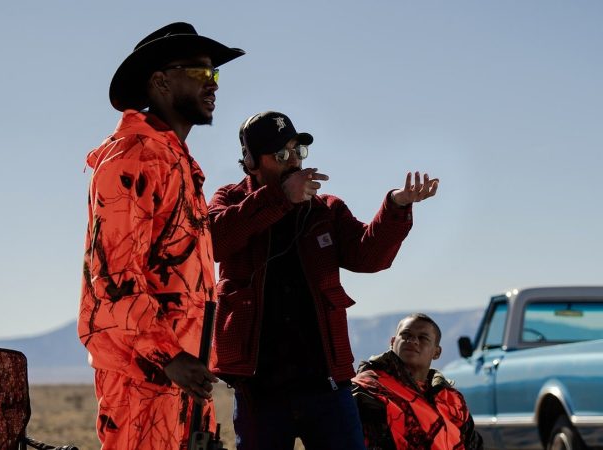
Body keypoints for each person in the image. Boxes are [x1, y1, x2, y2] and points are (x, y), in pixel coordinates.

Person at [207, 111, 439, 450]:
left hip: (326, 385)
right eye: (281, 154)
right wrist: (280, 197)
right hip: (259, 390)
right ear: (251, 161)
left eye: (297, 150)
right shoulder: (229, 200)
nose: (293, 161)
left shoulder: (326, 209)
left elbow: (369, 257)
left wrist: (395, 206)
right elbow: (214, 241)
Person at [77, 22, 244, 450]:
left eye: (215, 73)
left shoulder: (176, 161)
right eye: (200, 72)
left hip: (183, 373)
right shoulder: (133, 157)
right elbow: (114, 276)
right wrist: (169, 355)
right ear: (161, 81)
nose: (213, 84)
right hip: (144, 377)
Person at [352, 313, 484, 450]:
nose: (413, 340)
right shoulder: (367, 390)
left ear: (436, 352)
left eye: (423, 338)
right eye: (406, 335)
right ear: (392, 342)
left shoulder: (451, 399)